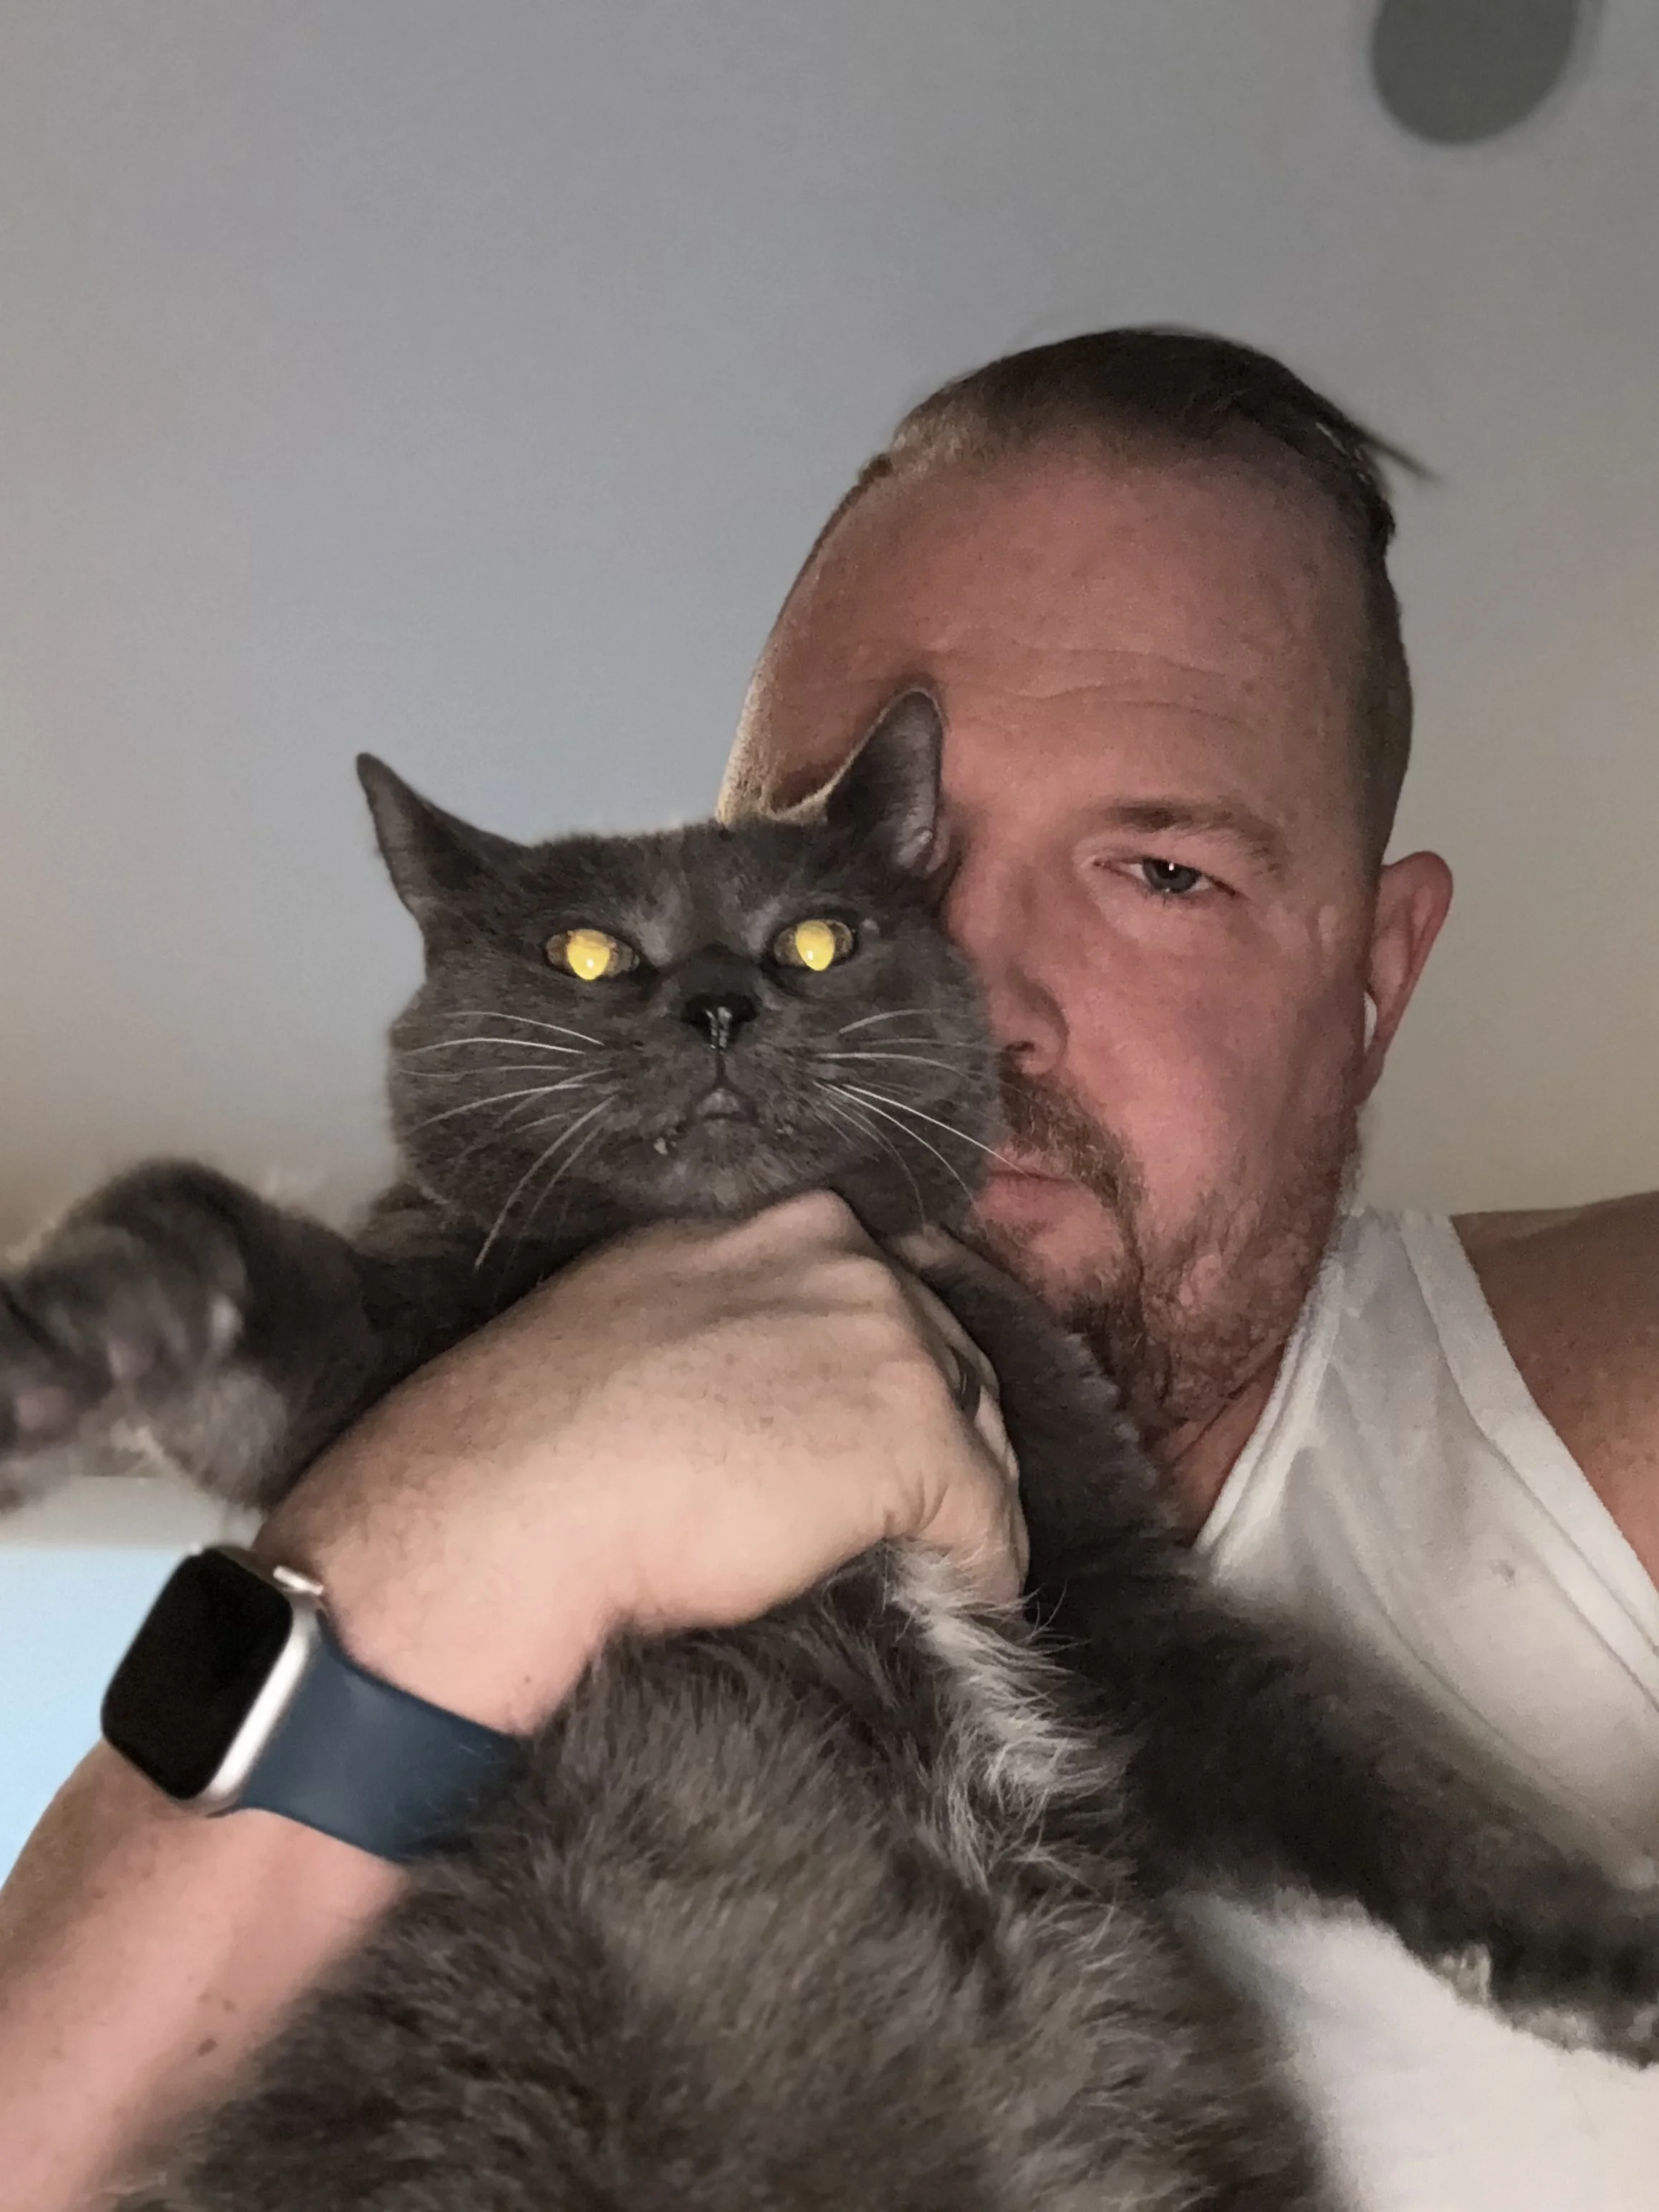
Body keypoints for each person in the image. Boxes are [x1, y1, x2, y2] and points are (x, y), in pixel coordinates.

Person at [1, 329, 1654, 2211]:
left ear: (1373, 978)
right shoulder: (516, 1275)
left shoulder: (1589, 1399)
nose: (980, 991)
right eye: (869, 862)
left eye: (1161, 873)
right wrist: (455, 1520)